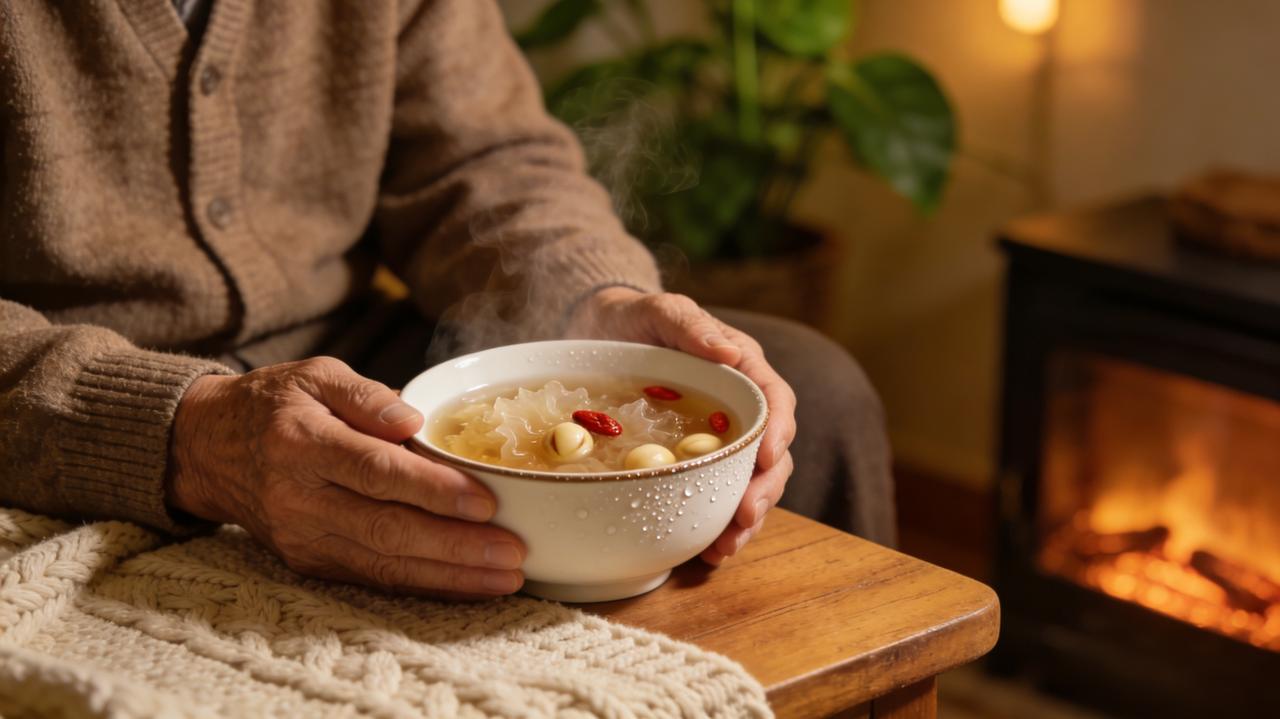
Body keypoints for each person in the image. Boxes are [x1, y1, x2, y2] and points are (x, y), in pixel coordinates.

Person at [0, 0, 893, 600]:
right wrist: (184, 433)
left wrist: (586, 294)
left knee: (819, 383)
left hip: (349, 357)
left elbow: (482, 158)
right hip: (65, 398)